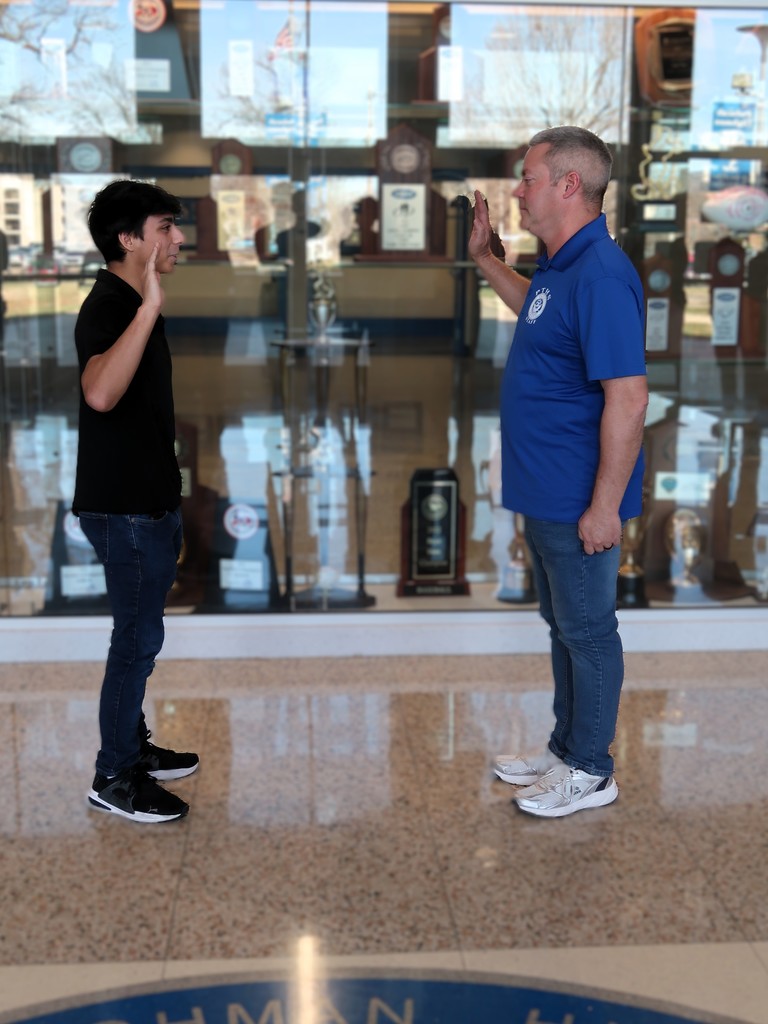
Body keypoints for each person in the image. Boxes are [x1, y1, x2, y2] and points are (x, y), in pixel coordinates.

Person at [469, 126, 648, 818]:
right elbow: (537, 315)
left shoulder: (601, 274)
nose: (518, 191)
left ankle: (592, 770)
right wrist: (487, 260)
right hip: (547, 491)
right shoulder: (561, 266)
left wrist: (604, 507)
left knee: (588, 631)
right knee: (563, 625)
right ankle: (567, 748)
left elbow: (628, 399)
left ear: (569, 185)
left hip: (579, 497)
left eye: (529, 177)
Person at [72, 179, 198, 824]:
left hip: (146, 502)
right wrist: (148, 309)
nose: (178, 238)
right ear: (128, 240)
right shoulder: (111, 304)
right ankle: (114, 775)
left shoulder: (131, 300)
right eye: (164, 228)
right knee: (135, 642)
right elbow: (100, 393)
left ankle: (132, 746)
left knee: (141, 638)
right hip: (122, 509)